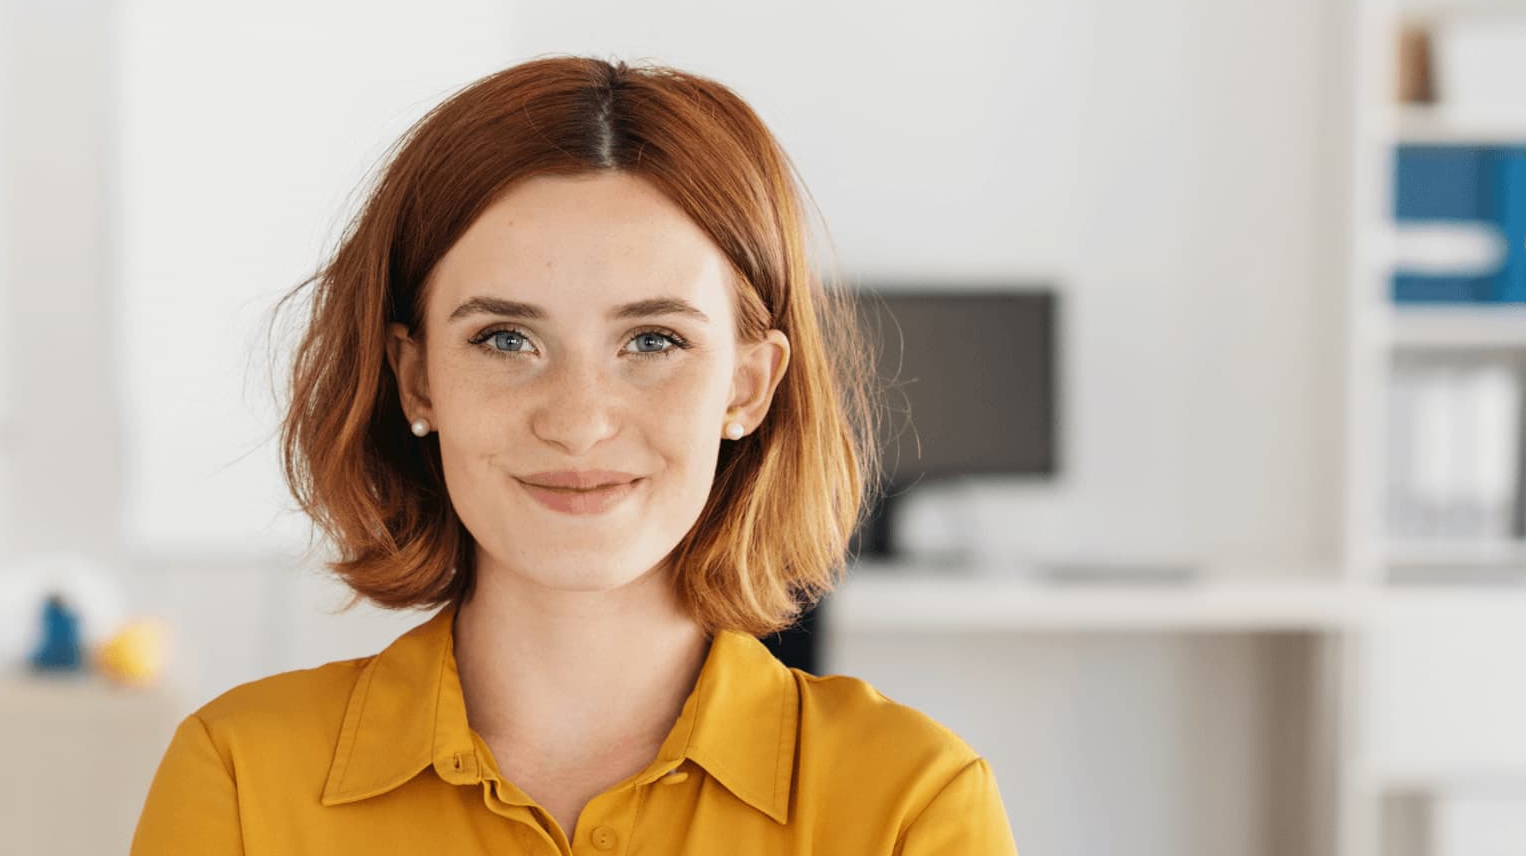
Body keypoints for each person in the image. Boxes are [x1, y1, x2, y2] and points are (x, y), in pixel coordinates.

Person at [130, 55, 1018, 854]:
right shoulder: (242, 777)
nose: (580, 422)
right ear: (417, 379)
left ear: (746, 387)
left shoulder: (912, 802)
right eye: (507, 338)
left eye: (654, 340)